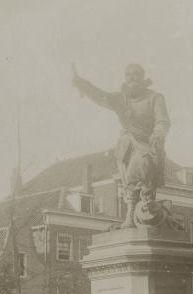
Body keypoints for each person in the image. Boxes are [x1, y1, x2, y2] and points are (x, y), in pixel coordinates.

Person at [72, 63, 171, 228]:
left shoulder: (155, 97)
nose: (132, 77)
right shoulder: (120, 99)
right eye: (128, 74)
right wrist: (82, 84)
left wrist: (158, 135)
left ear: (142, 77)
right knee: (128, 180)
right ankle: (130, 215)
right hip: (127, 144)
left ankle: (147, 201)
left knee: (144, 164)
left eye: (136, 74)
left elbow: (163, 121)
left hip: (147, 143)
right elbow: (100, 96)